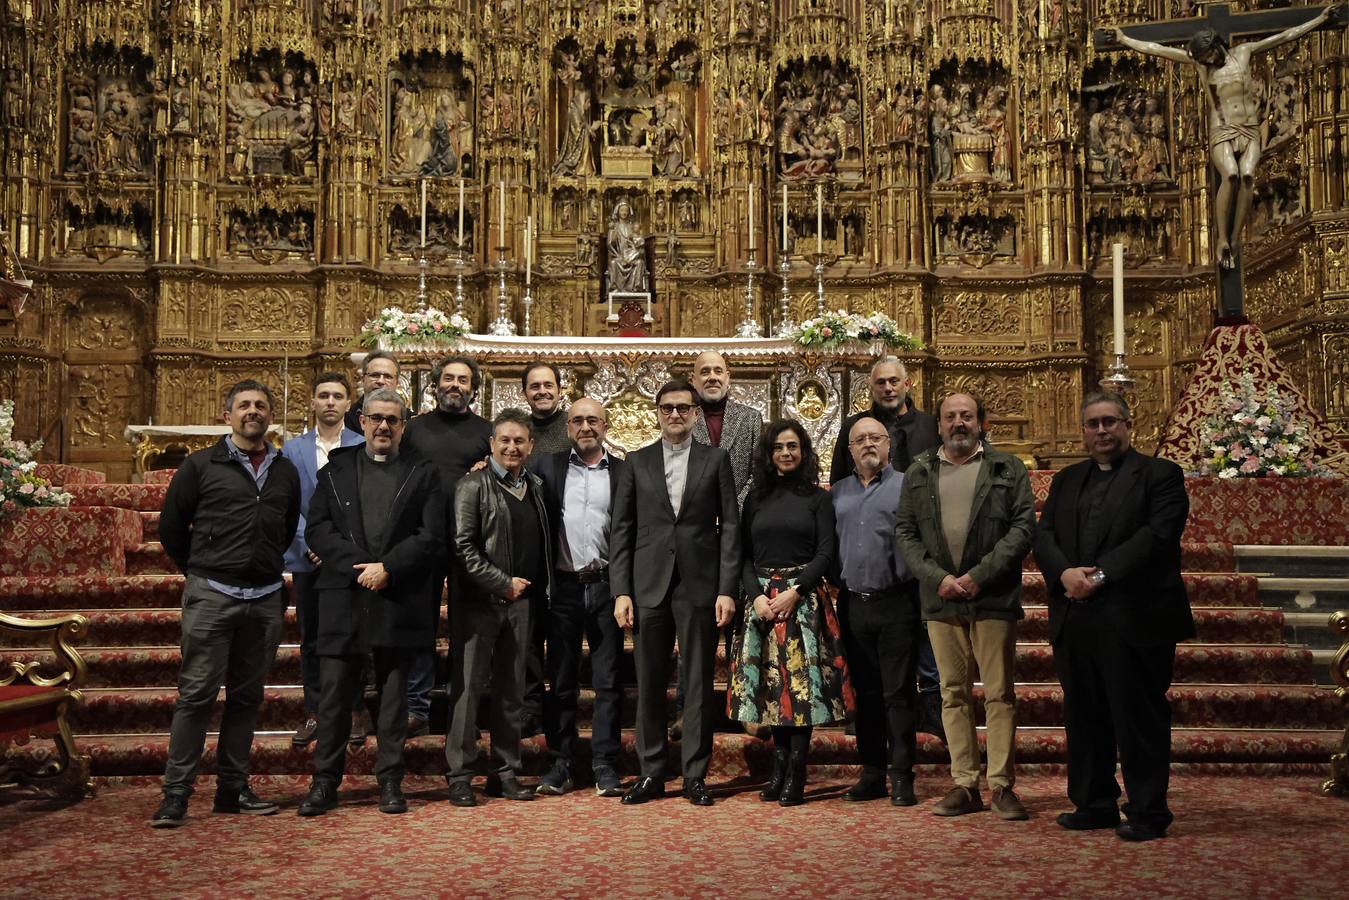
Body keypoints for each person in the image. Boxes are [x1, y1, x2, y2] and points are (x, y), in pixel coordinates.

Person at [1034, 392, 1193, 842]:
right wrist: (1064, 572)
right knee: (1083, 713)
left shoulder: (1161, 475)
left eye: (1110, 422)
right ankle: (1094, 801)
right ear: (1082, 431)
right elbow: (1043, 534)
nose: (1102, 431)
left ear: (1128, 425)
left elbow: (1157, 537)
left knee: (1137, 715)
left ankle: (1148, 810)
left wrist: (1099, 575)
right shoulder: (1067, 479)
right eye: (1093, 424)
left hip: (1135, 616)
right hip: (1077, 614)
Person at [151, 380, 301, 827]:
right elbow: (172, 529)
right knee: (195, 696)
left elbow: (286, 524)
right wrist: (203, 571)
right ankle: (176, 794)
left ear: (270, 415)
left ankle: (232, 789)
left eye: (260, 406)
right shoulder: (199, 466)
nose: (252, 412)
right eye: (243, 406)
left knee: (246, 697)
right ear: (227, 415)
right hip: (213, 595)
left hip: (264, 598)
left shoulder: (284, 470)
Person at [296, 389, 445, 817]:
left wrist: (389, 568)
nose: (383, 426)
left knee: (394, 700)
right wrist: (359, 568)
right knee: (335, 698)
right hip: (344, 595)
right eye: (376, 418)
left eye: (392, 420)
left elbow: (431, 534)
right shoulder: (336, 469)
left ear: (403, 425)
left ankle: (390, 781)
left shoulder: (423, 471)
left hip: (397, 595)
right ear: (360, 420)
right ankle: (325, 782)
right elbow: (319, 530)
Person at [895, 393, 1035, 820]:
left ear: (981, 422)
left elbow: (1022, 526)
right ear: (938, 424)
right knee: (952, 693)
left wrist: (979, 576)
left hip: (991, 597)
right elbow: (905, 531)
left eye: (967, 416)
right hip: (942, 599)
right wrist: (941, 579)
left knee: (998, 694)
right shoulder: (919, 470)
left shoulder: (1006, 468)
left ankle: (1002, 786)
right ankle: (964, 783)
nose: (959, 423)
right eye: (950, 417)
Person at [610, 379, 740, 807]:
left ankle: (694, 775)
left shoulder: (716, 460)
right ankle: (650, 773)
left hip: (699, 583)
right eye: (667, 408)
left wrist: (726, 588)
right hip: (649, 582)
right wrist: (621, 591)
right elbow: (622, 530)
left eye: (683, 408)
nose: (675, 416)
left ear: (696, 413)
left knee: (699, 681)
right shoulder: (636, 461)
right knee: (649, 683)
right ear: (657, 412)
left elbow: (730, 530)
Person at [727, 419, 851, 806]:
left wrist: (795, 591)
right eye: (779, 447)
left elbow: (826, 552)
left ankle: (796, 775)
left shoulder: (819, 498)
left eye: (793, 446)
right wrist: (757, 597)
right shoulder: (755, 499)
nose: (785, 453)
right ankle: (777, 773)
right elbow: (744, 555)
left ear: (804, 451)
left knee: (801, 692)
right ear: (768, 454)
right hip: (762, 603)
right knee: (772, 690)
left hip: (802, 601)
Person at [829, 356, 944, 740]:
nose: (888, 388)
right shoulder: (854, 426)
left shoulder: (930, 425)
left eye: (894, 381)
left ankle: (930, 707)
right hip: (864, 573)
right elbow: (837, 489)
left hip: (917, 560)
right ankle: (871, 745)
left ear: (908, 383)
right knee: (869, 675)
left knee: (922, 645)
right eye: (881, 383)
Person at [444, 409, 551, 806]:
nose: (511, 447)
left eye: (519, 441)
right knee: (469, 691)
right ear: (491, 444)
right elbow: (462, 547)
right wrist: (501, 584)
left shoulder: (536, 486)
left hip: (521, 605)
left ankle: (504, 772)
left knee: (511, 692)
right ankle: (459, 774)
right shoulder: (472, 486)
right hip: (481, 603)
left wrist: (520, 592)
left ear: (530, 446)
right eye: (504, 440)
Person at [531, 398, 627, 797]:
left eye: (593, 420)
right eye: (577, 421)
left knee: (608, 682)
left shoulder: (625, 472)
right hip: (564, 587)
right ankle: (561, 762)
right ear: (567, 427)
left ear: (605, 425)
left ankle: (605, 763)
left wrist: (626, 590)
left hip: (607, 586)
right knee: (563, 681)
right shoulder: (546, 467)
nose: (585, 427)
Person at [830, 416, 922, 806]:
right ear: (849, 450)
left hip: (897, 601)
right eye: (859, 439)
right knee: (865, 694)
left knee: (898, 693)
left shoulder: (909, 487)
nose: (868, 444)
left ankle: (901, 775)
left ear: (888, 445)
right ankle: (872, 773)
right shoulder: (836, 494)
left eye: (875, 438)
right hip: (853, 603)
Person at [674, 349, 764, 741]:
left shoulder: (750, 419)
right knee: (693, 631)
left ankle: (746, 707)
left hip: (738, 534)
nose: (712, 377)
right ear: (693, 380)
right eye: (704, 372)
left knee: (742, 627)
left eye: (718, 371)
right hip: (693, 540)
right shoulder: (682, 417)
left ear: (729, 377)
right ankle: (687, 712)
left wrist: (730, 508)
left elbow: (758, 473)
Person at [401, 355, 492, 736]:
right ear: (435, 384)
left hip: (469, 541)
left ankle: (463, 704)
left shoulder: (487, 431)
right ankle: (416, 707)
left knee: (466, 626)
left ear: (474, 388)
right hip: (423, 538)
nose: (456, 385)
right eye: (449, 378)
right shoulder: (413, 429)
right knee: (420, 624)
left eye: (463, 380)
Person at [281, 372, 364, 749]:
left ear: (349, 403)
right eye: (323, 395)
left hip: (349, 558)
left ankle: (354, 710)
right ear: (312, 403)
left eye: (338, 396)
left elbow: (367, 506)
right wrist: (311, 541)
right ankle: (315, 711)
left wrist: (338, 547)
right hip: (307, 558)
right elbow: (287, 504)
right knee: (312, 639)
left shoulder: (362, 444)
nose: (330, 402)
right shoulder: (292, 450)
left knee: (355, 637)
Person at [519, 362, 571, 737]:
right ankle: (530, 706)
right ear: (525, 392)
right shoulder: (515, 432)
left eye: (548, 385)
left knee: (563, 636)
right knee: (529, 633)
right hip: (528, 547)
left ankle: (562, 706)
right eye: (534, 386)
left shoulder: (573, 427)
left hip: (566, 544)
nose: (542, 391)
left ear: (559, 389)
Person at [344, 351, 400, 433]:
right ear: (363, 379)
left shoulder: (409, 419)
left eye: (388, 377)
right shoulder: (346, 418)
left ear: (397, 383)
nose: (381, 381)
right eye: (375, 375)